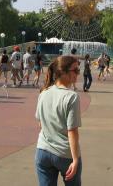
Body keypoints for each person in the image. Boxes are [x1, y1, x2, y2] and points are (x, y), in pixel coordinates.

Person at [35, 55, 82, 186]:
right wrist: (75, 159)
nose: (78, 74)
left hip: (42, 151)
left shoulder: (43, 93)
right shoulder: (71, 96)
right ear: (63, 72)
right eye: (76, 70)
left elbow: (40, 123)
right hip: (64, 154)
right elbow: (72, 131)